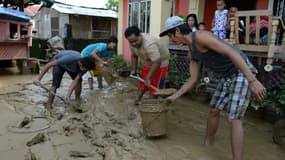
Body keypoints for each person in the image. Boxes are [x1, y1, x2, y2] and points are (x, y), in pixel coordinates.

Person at [160, 16, 266, 160]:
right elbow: (193, 78)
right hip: (226, 76)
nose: (170, 39)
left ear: (177, 31)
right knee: (214, 110)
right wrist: (175, 96)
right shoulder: (191, 50)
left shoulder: (202, 36)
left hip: (241, 71)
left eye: (169, 35)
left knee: (234, 118)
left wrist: (252, 80)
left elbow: (231, 52)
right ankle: (208, 145)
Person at [124, 26, 170, 104]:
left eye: (135, 41)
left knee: (155, 85)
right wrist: (133, 70)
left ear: (140, 35)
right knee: (143, 83)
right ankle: (137, 100)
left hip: (161, 63)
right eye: (131, 42)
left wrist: (148, 78)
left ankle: (154, 103)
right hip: (147, 61)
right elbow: (134, 56)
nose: (134, 44)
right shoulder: (132, 43)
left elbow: (157, 62)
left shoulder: (149, 44)